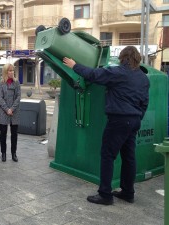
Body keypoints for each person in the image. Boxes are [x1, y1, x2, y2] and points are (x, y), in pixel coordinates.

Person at [63, 46, 150, 205]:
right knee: (129, 157)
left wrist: (74, 65)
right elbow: (145, 103)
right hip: (134, 121)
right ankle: (128, 192)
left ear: (123, 58)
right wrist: (136, 117)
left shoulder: (119, 72)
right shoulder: (144, 78)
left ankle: (105, 194)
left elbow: (94, 75)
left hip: (119, 120)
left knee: (108, 155)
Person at [0, 64, 21, 162]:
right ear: (5, 72)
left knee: (14, 134)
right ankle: (3, 153)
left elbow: (18, 97)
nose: (12, 72)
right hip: (3, 111)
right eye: (9, 71)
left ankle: (14, 153)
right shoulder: (1, 83)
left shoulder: (16, 83)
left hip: (14, 112)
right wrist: (7, 109)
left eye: (12, 71)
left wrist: (12, 109)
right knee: (3, 133)